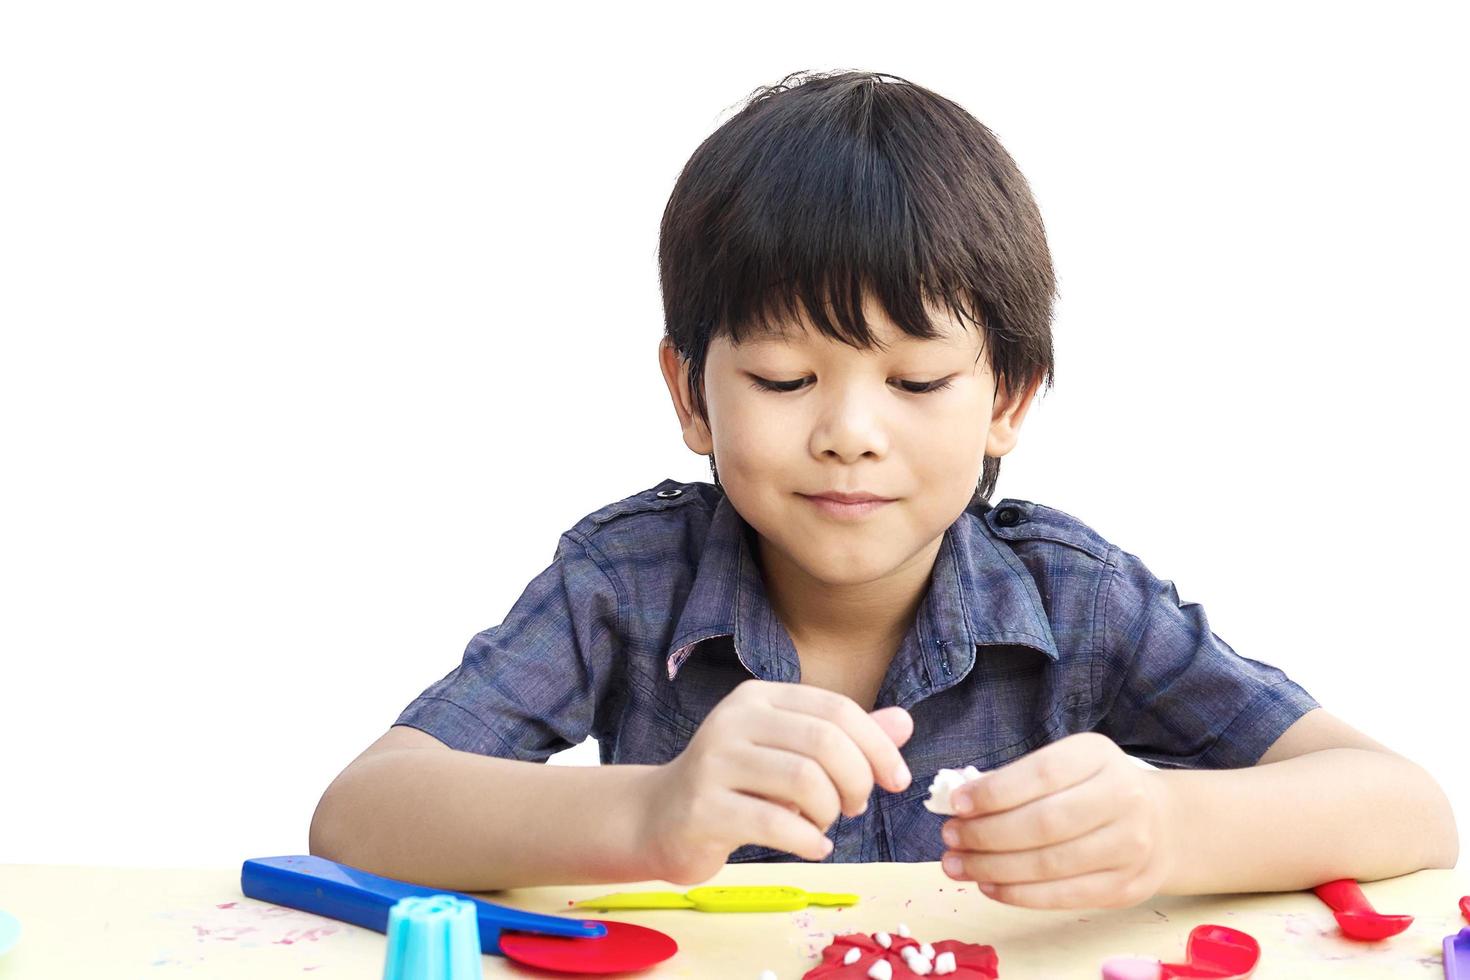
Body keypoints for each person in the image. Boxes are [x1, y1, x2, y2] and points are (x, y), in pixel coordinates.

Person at [308, 69, 1457, 908]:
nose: (849, 432)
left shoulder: (1080, 602)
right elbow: (362, 809)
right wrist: (650, 813)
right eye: (783, 376)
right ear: (691, 392)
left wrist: (1167, 825)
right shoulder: (625, 582)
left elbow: (1404, 804)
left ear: (1008, 396)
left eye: (914, 379)